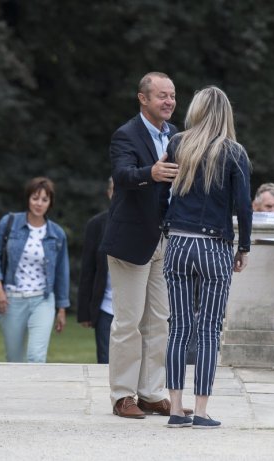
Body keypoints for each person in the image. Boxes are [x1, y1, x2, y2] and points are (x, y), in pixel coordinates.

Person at [159, 86, 252, 429]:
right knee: (209, 329)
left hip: (179, 244)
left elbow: (161, 194)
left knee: (178, 328)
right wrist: (244, 247)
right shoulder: (234, 152)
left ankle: (174, 408)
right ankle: (200, 410)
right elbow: (243, 207)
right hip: (214, 246)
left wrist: (164, 227)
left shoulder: (177, 144)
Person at [100, 71, 191, 419]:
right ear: (143, 99)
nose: (169, 101)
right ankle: (123, 395)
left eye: (172, 95)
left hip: (165, 239)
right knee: (127, 322)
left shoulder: (177, 136)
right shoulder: (125, 135)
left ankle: (151, 392)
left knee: (159, 320)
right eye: (161, 96)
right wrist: (147, 174)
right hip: (130, 241)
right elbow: (122, 175)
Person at [0, 177, 70, 363]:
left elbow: (62, 273)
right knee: (14, 358)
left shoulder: (57, 234)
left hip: (43, 299)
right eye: (35, 198)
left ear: (50, 203)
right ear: (28, 199)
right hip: (12, 299)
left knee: (36, 356)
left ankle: (36, 392)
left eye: (44, 199)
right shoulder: (9, 223)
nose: (39, 204)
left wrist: (62, 309)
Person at [77, 178, 114, 364]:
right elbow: (88, 269)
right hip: (106, 307)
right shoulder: (96, 225)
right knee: (105, 361)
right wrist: (85, 311)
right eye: (115, 190)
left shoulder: (144, 223)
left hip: (135, 309)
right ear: (109, 193)